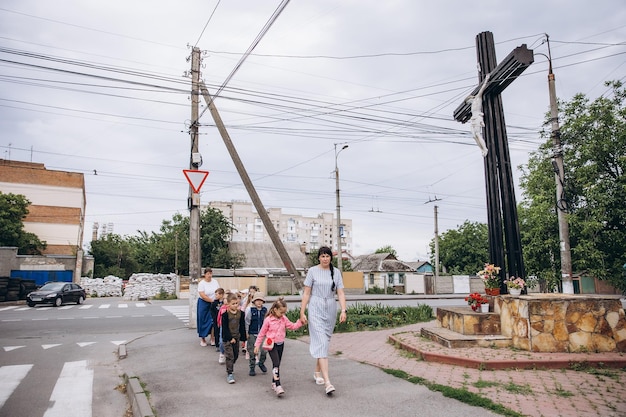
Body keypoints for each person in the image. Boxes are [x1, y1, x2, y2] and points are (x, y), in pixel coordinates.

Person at [300, 246, 347, 396]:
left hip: (330, 309)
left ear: (330, 258)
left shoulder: (336, 272)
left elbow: (340, 292)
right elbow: (306, 293)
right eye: (322, 256)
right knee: (321, 341)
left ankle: (316, 372)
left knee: (324, 342)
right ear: (319, 258)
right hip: (315, 308)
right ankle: (328, 382)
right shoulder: (312, 271)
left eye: (327, 256)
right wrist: (302, 312)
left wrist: (343, 310)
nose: (325, 258)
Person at [254, 297, 303, 396]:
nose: (282, 314)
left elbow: (291, 326)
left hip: (281, 344)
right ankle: (278, 385)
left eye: (284, 312)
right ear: (275, 310)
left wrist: (300, 322)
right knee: (276, 363)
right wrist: (257, 345)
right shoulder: (268, 320)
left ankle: (273, 382)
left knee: (277, 365)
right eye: (281, 312)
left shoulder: (283, 318)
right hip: (271, 345)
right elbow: (261, 333)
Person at [219, 292, 247, 384]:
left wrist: (244, 337)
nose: (235, 305)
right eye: (233, 304)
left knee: (235, 355)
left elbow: (242, 325)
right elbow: (225, 328)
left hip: (237, 337)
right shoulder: (225, 315)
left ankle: (230, 365)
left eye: (236, 303)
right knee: (230, 355)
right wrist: (230, 338)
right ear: (228, 303)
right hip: (228, 338)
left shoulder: (241, 314)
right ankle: (230, 373)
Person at [465, 72, 491, 157]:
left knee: (478, 134)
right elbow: (465, 102)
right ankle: (482, 149)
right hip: (473, 119)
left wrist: (486, 79)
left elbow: (482, 89)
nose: (468, 102)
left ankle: (485, 148)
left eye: (468, 101)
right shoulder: (472, 104)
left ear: (471, 99)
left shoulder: (478, 98)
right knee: (474, 136)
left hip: (477, 117)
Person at [245, 292, 268, 376]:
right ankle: (252, 367)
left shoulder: (264, 310)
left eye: (261, 300)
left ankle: (261, 363)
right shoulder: (250, 310)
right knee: (252, 352)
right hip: (252, 333)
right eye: (257, 300)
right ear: (254, 301)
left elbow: (267, 322)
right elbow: (247, 321)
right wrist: (246, 332)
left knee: (264, 351)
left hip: (262, 334)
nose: (259, 302)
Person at [197, 267, 219, 347]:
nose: (209, 275)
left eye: (210, 273)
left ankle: (212, 338)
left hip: (213, 303)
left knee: (213, 321)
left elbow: (218, 291)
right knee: (203, 320)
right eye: (208, 274)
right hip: (204, 303)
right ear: (205, 275)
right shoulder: (202, 283)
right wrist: (210, 300)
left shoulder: (215, 282)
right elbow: (202, 295)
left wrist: (216, 300)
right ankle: (202, 338)